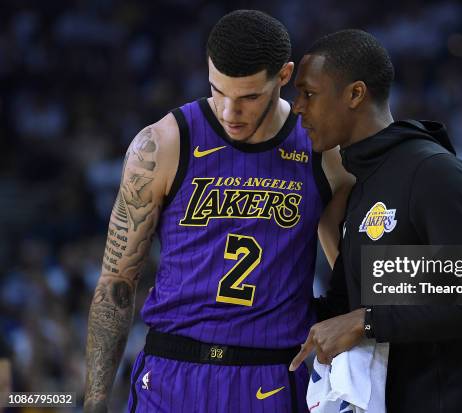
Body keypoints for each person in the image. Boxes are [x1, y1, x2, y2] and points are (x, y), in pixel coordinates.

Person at [84, 10, 352, 413]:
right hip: (170, 371)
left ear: (284, 76)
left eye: (247, 97)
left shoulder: (323, 151)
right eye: (218, 91)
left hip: (271, 374)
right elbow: (117, 282)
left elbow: (347, 276)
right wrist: (95, 400)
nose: (229, 112)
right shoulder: (162, 144)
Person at [290, 29, 462, 412]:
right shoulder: (362, 185)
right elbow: (346, 305)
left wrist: (367, 322)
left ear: (355, 94)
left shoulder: (432, 171)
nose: (297, 107)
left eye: (309, 94)